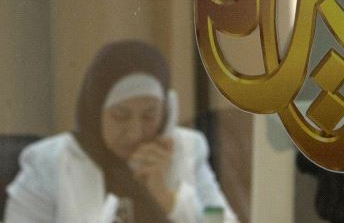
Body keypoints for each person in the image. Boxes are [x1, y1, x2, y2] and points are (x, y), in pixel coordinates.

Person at [4, 40, 238, 223]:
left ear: (166, 112)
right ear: (95, 113)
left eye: (149, 115)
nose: (136, 132)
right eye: (120, 116)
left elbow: (220, 218)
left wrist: (169, 197)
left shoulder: (186, 149)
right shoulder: (47, 162)